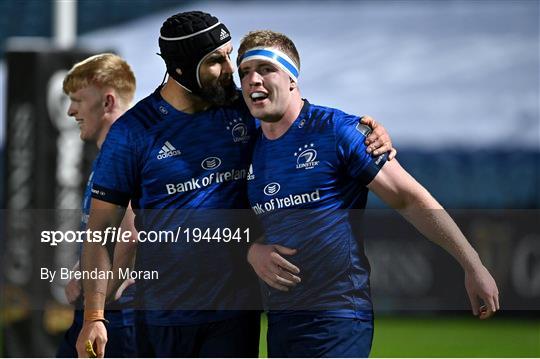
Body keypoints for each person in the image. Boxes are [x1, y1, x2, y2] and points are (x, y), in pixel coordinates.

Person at [75, 11, 394, 358]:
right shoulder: (133, 132)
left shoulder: (244, 108)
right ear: (180, 69)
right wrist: (94, 316)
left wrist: (365, 132)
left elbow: (301, 115)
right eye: (216, 60)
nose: (230, 69)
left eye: (229, 54)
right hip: (161, 315)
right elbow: (100, 230)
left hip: (235, 313)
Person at [238, 30, 500, 357]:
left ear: (292, 78)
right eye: (245, 72)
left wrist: (472, 263)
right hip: (280, 322)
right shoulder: (243, 147)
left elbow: (409, 197)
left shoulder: (338, 131)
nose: (253, 79)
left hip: (339, 317)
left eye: (265, 68)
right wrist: (251, 250)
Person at [57, 53, 138, 357]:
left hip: (115, 316)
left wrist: (96, 308)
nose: (70, 110)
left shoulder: (128, 151)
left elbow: (130, 234)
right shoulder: (113, 153)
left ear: (107, 102)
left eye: (78, 99)